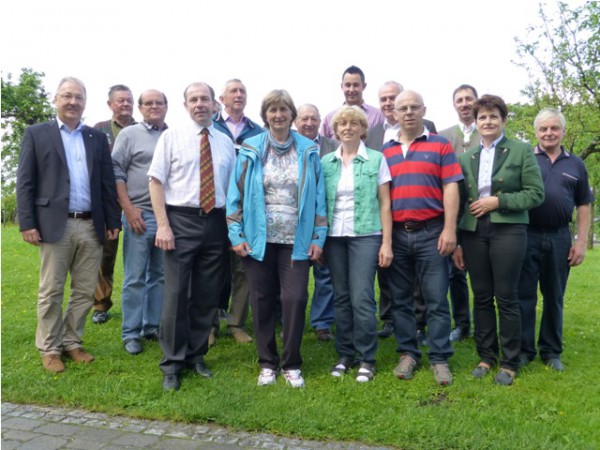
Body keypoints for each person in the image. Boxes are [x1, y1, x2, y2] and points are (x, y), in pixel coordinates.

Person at [16, 76, 121, 373]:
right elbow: (24, 182)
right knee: (50, 290)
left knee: (85, 291)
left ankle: (72, 342)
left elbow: (106, 182)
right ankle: (49, 348)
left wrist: (113, 219)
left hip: (90, 225)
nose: (73, 102)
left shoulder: (96, 138)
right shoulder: (37, 134)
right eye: (67, 96)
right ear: (56, 99)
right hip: (54, 225)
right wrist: (27, 222)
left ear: (85, 102)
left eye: (78, 97)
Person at [226, 89, 327, 388]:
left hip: (295, 240)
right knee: (261, 299)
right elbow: (235, 197)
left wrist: (319, 237)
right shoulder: (251, 148)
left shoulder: (309, 150)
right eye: (273, 110)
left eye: (284, 110)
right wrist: (236, 234)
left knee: (295, 298)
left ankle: (292, 364)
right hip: (258, 240)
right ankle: (267, 363)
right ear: (265, 115)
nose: (279, 115)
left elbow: (319, 199)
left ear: (292, 115)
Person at [148, 82, 235, 391]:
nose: (200, 104)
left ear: (215, 105)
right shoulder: (171, 137)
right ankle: (171, 363)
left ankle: (196, 355)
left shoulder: (225, 142)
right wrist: (163, 225)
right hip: (180, 221)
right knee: (175, 296)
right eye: (194, 99)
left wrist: (232, 229)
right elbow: (155, 182)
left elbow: (231, 189)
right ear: (186, 105)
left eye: (205, 99)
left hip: (216, 223)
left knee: (207, 294)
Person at [453, 94, 544, 386]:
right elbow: (458, 201)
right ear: (475, 122)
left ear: (503, 120)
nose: (488, 121)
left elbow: (535, 194)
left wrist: (497, 201)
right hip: (473, 232)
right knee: (480, 297)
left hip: (508, 229)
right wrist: (456, 241)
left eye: (493, 116)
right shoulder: (466, 157)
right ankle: (485, 356)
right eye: (482, 117)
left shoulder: (521, 150)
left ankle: (509, 361)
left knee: (506, 297)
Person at [382, 90, 463, 386]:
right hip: (398, 234)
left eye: (414, 107)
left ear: (424, 110)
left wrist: (450, 228)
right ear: (394, 113)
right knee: (401, 300)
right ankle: (408, 353)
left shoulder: (440, 145)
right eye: (402, 108)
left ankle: (440, 357)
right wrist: (386, 240)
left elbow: (451, 187)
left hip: (432, 232)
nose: (408, 112)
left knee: (436, 299)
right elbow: (383, 198)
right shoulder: (385, 151)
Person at [517, 108, 593, 372]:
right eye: (543, 129)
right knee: (523, 295)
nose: (549, 133)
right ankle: (525, 350)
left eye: (554, 128)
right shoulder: (525, 158)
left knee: (554, 296)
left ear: (563, 131)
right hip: (527, 233)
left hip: (560, 236)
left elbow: (584, 204)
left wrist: (580, 242)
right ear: (536, 132)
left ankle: (551, 351)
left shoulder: (576, 164)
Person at [321, 106, 393, 382]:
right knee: (340, 296)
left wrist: (386, 243)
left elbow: (385, 204)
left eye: (354, 124)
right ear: (335, 130)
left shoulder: (376, 159)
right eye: (342, 124)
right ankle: (345, 354)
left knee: (362, 297)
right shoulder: (326, 162)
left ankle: (367, 358)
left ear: (363, 129)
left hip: (366, 234)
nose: (348, 128)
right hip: (335, 237)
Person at [372, 81, 437, 340]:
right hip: (389, 210)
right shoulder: (375, 132)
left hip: (420, 212)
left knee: (419, 279)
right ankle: (389, 319)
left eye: (392, 98)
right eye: (384, 99)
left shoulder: (426, 127)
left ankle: (420, 321)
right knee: (388, 272)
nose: (388, 103)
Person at [112, 89, 169, 355]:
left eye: (159, 102)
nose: (154, 106)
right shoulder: (129, 134)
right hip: (139, 216)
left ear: (167, 107)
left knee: (158, 275)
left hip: (166, 218)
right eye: (149, 103)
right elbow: (116, 171)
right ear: (141, 107)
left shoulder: (171, 135)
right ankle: (130, 332)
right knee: (135, 277)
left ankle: (151, 325)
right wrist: (129, 209)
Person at [212, 79, 264, 345]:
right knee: (211, 267)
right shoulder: (210, 126)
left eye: (242, 91)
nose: (238, 94)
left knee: (243, 266)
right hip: (213, 206)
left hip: (244, 209)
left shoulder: (256, 132)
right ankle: (209, 326)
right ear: (222, 98)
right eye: (233, 90)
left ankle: (236, 323)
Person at [438, 84, 480, 342]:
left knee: (481, 273)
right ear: (454, 104)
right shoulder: (443, 136)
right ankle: (462, 323)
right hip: (451, 214)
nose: (464, 104)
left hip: (481, 212)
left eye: (469, 99)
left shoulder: (489, 131)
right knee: (455, 272)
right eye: (460, 100)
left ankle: (485, 321)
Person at [92, 84, 137, 324]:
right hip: (108, 200)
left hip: (137, 199)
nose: (125, 104)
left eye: (129, 100)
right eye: (120, 100)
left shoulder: (144, 128)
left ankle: (143, 303)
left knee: (140, 253)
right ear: (110, 104)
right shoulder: (98, 130)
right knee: (105, 254)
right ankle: (101, 304)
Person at [295, 103, 337, 341]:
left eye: (314, 118)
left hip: (325, 219)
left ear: (321, 121)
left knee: (325, 275)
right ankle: (290, 319)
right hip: (295, 222)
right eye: (304, 119)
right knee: (293, 275)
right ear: (296, 122)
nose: (309, 123)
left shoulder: (333, 147)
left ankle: (322, 323)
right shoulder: (288, 146)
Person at [321, 66, 385, 150]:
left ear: (364, 86)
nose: (351, 89)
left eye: (355, 85)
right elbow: (323, 148)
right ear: (342, 86)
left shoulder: (379, 116)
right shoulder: (330, 118)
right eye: (347, 85)